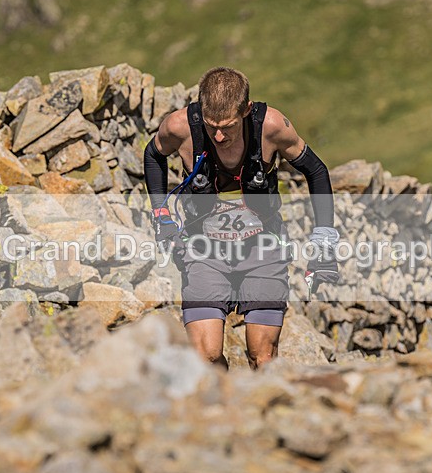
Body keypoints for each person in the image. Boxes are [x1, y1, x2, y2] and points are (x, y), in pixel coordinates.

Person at [143, 67, 338, 369]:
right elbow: (153, 154)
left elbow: (316, 170)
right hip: (204, 250)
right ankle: (222, 399)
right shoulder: (180, 126)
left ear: (246, 110)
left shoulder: (272, 126)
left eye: (228, 126)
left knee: (263, 356)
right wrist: (161, 214)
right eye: (211, 126)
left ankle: (260, 400)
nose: (219, 136)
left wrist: (324, 239)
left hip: (263, 249)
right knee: (204, 356)